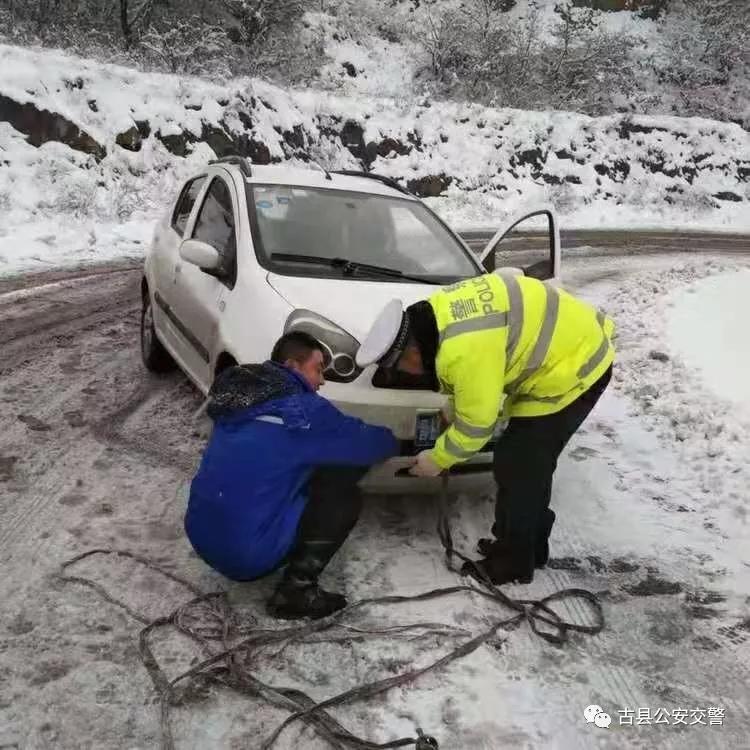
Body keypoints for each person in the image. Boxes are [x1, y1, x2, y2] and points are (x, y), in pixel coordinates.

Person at [356, 271, 615, 586]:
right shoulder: (436, 314)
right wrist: (454, 408)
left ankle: (514, 562)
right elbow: (472, 378)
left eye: (399, 368)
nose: (406, 375)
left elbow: (477, 426)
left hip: (574, 368)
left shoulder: (462, 353)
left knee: (519, 464)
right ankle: (528, 545)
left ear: (411, 351)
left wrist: (436, 460)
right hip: (569, 346)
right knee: (528, 463)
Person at [185, 331, 398, 619]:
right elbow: (369, 443)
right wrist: (401, 438)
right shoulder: (302, 412)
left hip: (200, 537)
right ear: (292, 365)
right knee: (343, 490)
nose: (321, 381)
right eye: (318, 368)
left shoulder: (239, 398)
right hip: (244, 558)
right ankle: (295, 593)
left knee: (292, 466)